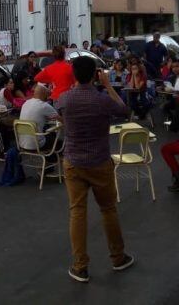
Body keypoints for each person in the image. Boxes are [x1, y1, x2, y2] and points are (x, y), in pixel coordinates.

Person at [55, 56, 133, 283]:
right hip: (99, 160)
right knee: (108, 209)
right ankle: (118, 257)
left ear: (74, 75)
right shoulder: (101, 100)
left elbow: (60, 113)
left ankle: (80, 266)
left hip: (73, 161)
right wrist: (108, 86)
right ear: (94, 75)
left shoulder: (65, 98)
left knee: (77, 212)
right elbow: (124, 110)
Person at [18, 84, 59, 150]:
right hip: (36, 145)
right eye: (47, 95)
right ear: (44, 94)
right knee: (56, 137)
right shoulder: (44, 105)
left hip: (21, 143)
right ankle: (51, 158)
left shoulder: (26, 103)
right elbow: (60, 119)